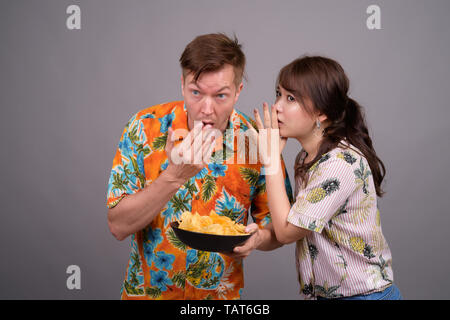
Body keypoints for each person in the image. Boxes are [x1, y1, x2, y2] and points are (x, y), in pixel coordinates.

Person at [106, 33, 293, 300]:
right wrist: (173, 176)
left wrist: (257, 240)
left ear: (238, 92)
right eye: (196, 93)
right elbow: (118, 226)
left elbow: (280, 227)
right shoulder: (143, 127)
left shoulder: (257, 142)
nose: (206, 108)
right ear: (182, 85)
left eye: (220, 96)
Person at [253, 56, 402, 300]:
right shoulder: (306, 158)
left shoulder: (339, 164)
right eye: (278, 94)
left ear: (320, 112)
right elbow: (295, 218)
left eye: (290, 98)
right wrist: (253, 237)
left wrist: (270, 160)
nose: (277, 106)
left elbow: (287, 232)